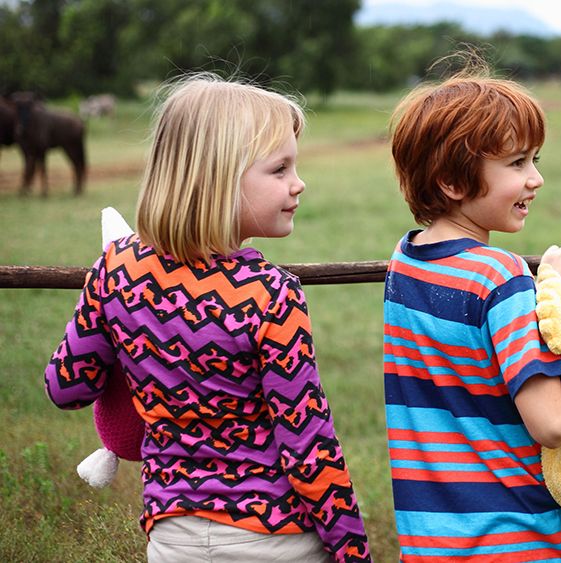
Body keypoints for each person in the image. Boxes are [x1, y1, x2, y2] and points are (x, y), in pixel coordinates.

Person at [44, 75, 370, 562]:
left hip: (174, 537)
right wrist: (352, 548)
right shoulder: (272, 294)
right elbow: (307, 445)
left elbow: (66, 388)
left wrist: (132, 340)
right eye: (280, 169)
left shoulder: (115, 271)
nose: (298, 183)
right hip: (277, 538)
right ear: (217, 177)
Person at [383, 60, 561, 561]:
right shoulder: (499, 275)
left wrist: (548, 288)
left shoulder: (406, 261)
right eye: (517, 163)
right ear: (452, 183)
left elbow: (469, 350)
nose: (537, 179)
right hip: (520, 538)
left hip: (431, 541)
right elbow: (551, 420)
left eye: (535, 160)